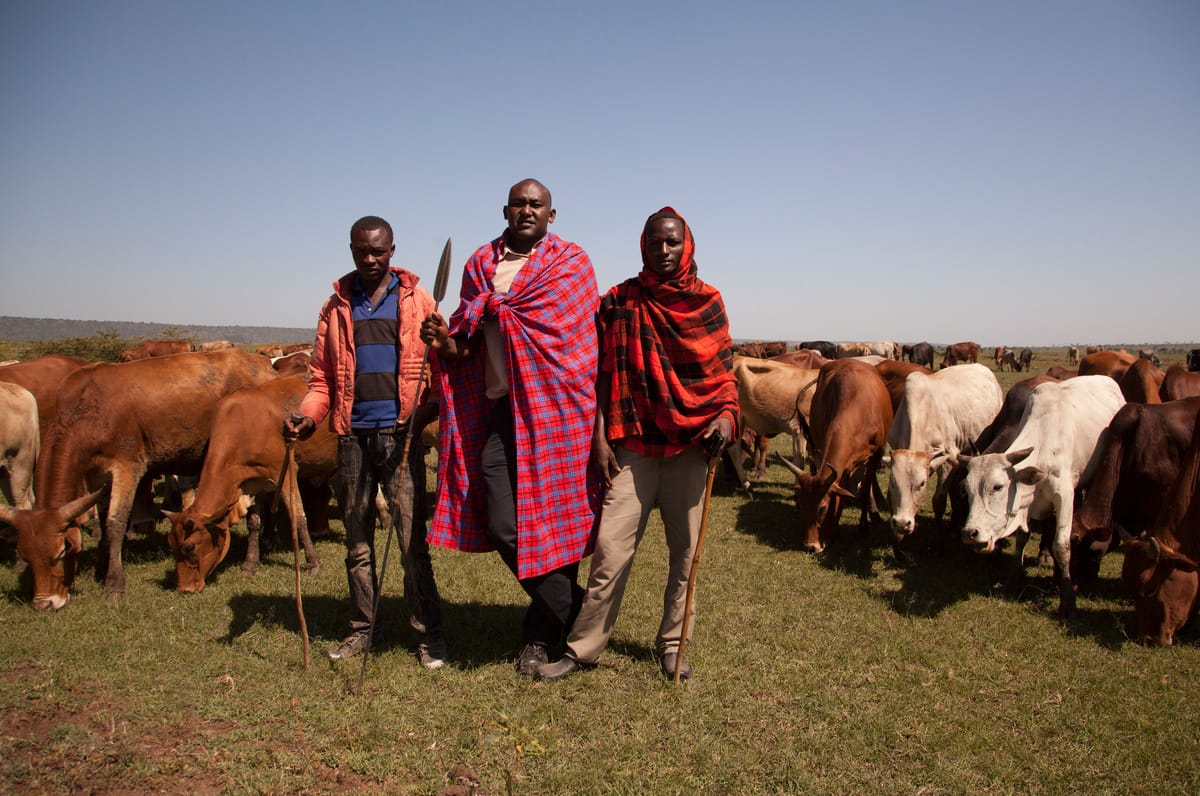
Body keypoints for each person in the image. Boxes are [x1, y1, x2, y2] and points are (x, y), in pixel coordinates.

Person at [537, 207, 738, 682]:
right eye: (654, 243)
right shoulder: (621, 301)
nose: (663, 251)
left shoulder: (708, 303)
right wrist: (600, 437)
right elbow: (601, 374)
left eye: (671, 242)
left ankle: (672, 645)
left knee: (686, 557)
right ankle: (583, 648)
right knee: (610, 552)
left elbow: (725, 379)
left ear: (686, 245)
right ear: (642, 246)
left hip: (691, 450)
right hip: (633, 450)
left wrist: (726, 421)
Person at [419, 179, 599, 677]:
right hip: (502, 413)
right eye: (518, 203)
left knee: (557, 525)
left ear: (552, 214)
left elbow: (579, 345)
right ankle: (585, 613)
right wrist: (443, 340)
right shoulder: (480, 264)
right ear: (504, 210)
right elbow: (466, 346)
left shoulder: (571, 264)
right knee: (502, 521)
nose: (526, 210)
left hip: (560, 413)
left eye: (535, 204)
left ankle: (539, 638)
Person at [283, 215, 445, 669]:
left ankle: (427, 632)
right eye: (362, 251)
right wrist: (307, 417)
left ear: (393, 250)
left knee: (412, 540)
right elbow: (321, 379)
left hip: (401, 435)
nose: (370, 259)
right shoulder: (336, 306)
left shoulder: (418, 301)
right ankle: (361, 629)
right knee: (357, 542)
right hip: (352, 436)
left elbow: (438, 368)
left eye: (379, 251)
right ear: (352, 250)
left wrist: (426, 407)